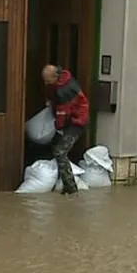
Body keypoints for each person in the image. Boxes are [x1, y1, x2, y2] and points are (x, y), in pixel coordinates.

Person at [42, 65, 90, 195]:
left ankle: (70, 187)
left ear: (55, 76)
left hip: (77, 122)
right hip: (72, 120)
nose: (46, 83)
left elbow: (62, 113)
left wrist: (58, 127)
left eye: (47, 80)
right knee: (57, 148)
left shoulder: (64, 90)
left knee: (59, 151)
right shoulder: (63, 81)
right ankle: (67, 185)